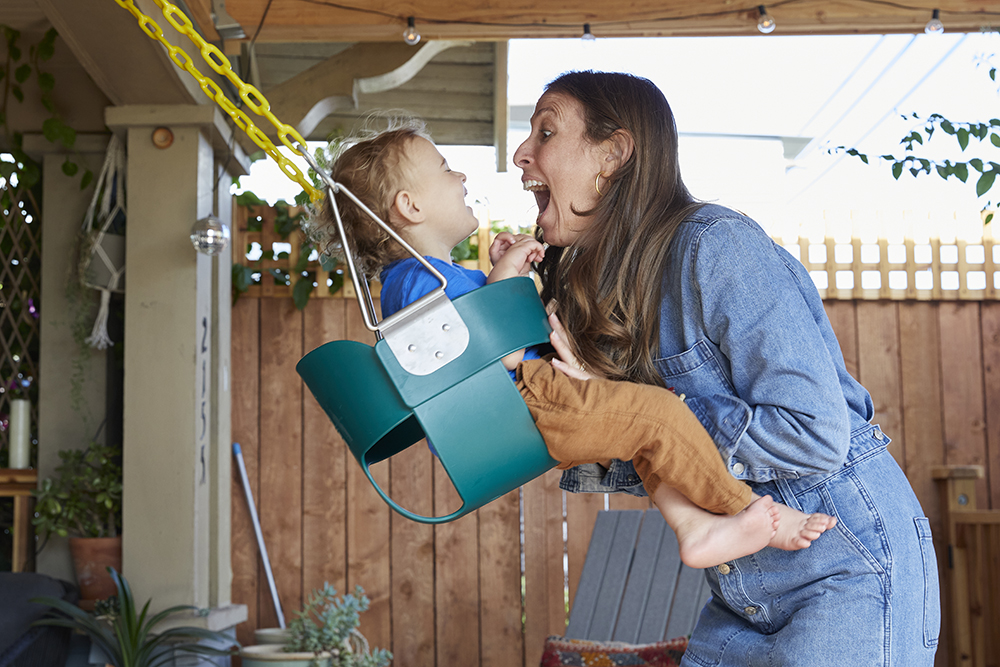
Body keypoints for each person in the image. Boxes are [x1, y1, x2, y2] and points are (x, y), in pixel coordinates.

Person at [512, 70, 940, 666]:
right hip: (745, 594)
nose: (521, 153)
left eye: (546, 132)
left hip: (847, 567)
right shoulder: (616, 288)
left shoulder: (715, 245)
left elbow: (815, 431)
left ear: (612, 154)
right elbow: (662, 452)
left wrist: (653, 414)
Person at [312, 120, 836, 569]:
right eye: (446, 168)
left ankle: (693, 526)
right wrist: (504, 279)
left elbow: (469, 335)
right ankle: (748, 510)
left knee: (647, 437)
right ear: (409, 205)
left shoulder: (426, 279)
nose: (462, 176)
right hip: (522, 398)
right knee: (660, 416)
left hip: (523, 397)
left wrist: (500, 275)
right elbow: (484, 356)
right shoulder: (415, 280)